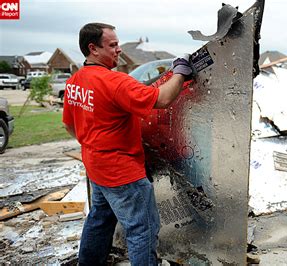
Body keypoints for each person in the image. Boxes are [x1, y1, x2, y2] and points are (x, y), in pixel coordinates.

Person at [62, 22, 194, 265]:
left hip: (96, 168)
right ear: (93, 49)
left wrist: (94, 144)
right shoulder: (115, 83)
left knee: (99, 220)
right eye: (112, 45)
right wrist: (180, 72)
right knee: (142, 230)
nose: (119, 49)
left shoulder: (74, 83)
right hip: (123, 174)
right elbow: (163, 99)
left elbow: (70, 126)